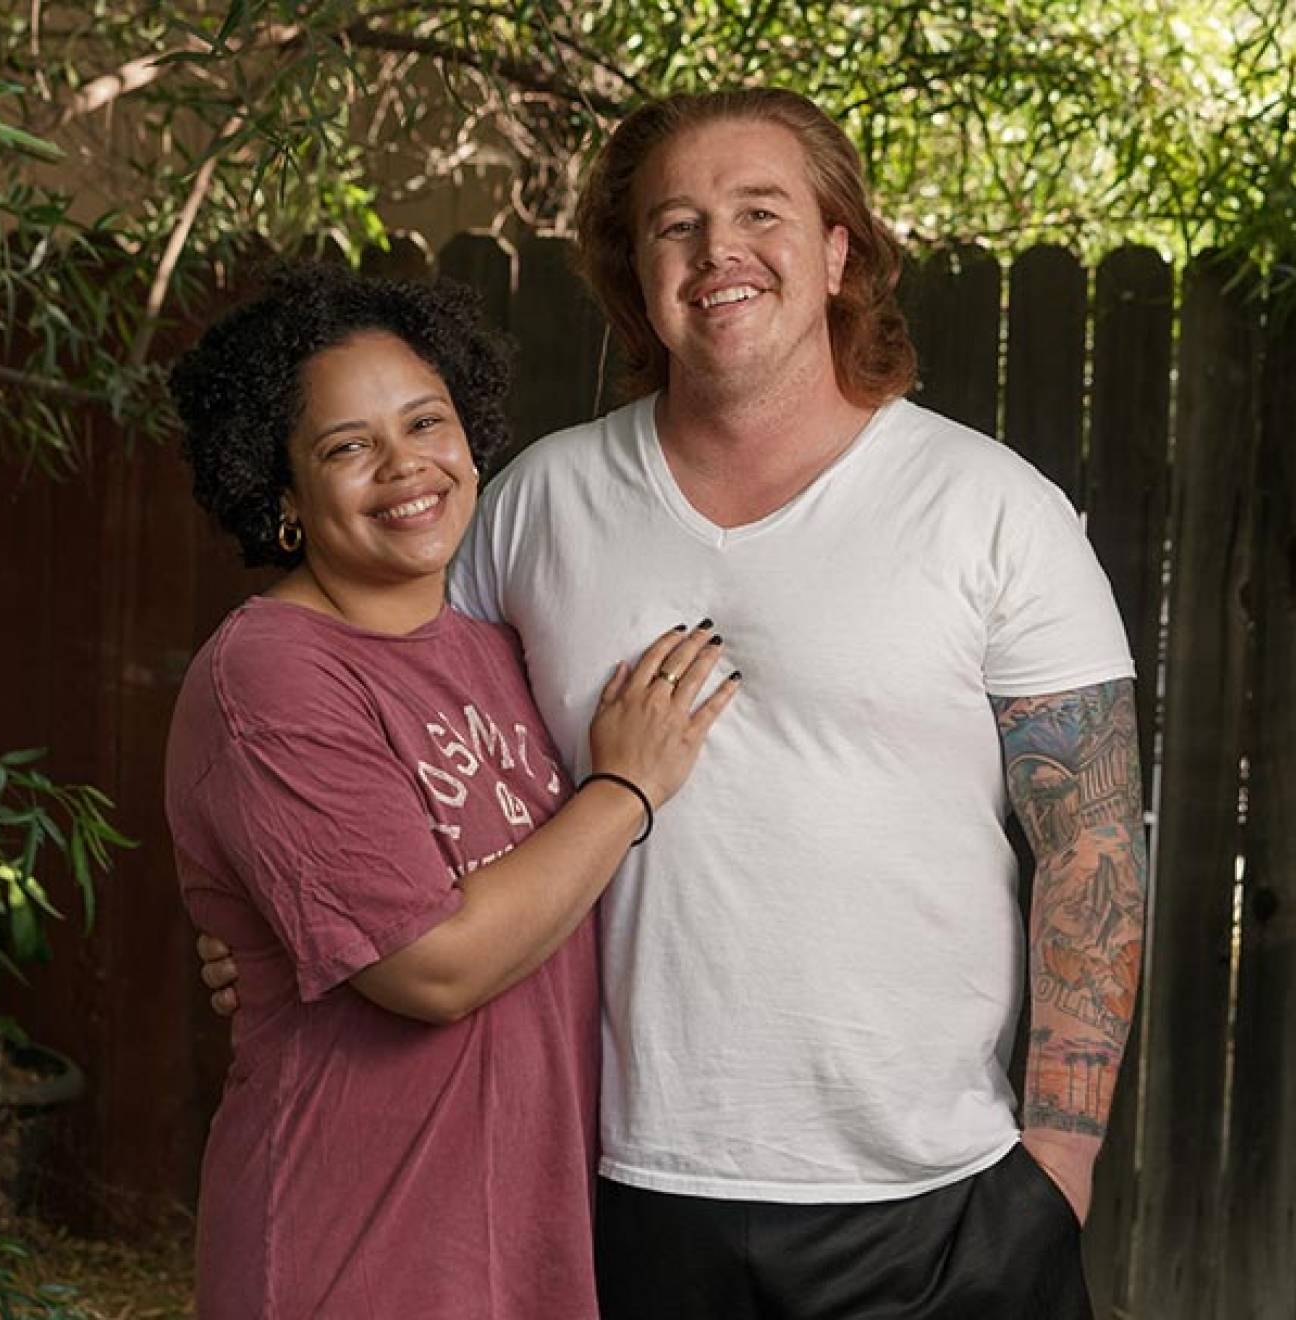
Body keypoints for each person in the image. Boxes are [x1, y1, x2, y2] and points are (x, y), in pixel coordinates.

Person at [203, 88, 1146, 1318]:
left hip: (937, 1203)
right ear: (632, 268)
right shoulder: (533, 508)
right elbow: (391, 751)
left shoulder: (990, 510)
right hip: (609, 1190)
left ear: (837, 248)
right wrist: (281, 934)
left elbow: (1093, 843)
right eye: (676, 225)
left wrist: (1058, 1167)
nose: (719, 255)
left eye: (761, 212)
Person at [165, 263, 739, 1319]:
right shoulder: (271, 675)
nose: (405, 467)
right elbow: (431, 969)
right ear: (281, 495)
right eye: (347, 447)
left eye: (425, 421)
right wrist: (625, 784)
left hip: (519, 1234)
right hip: (357, 1248)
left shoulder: (489, 646)